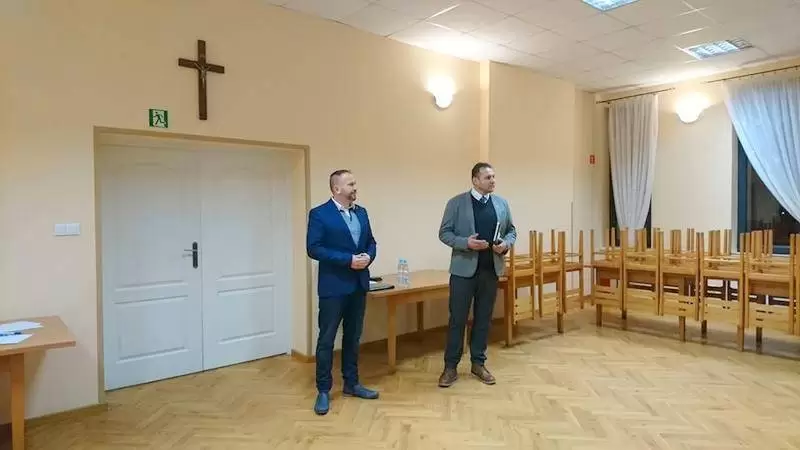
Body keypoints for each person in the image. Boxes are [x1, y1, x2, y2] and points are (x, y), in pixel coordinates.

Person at [437, 162, 516, 387]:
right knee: (457, 320)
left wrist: (505, 244)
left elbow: (511, 231)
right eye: (488, 177)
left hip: (490, 270)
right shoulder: (456, 203)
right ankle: (450, 368)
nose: (493, 181)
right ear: (475, 180)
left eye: (494, 177)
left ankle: (478, 363)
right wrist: (466, 243)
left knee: (483, 319)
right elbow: (444, 233)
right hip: (463, 272)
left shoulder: (501, 203)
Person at [306, 169, 379, 415]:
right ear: (336, 189)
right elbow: (314, 248)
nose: (355, 187)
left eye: (355, 183)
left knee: (353, 337)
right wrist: (348, 260)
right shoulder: (319, 214)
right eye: (350, 184)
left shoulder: (362, 212)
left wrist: (368, 256)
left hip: (358, 285)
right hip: (333, 287)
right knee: (326, 339)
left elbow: (371, 242)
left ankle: (352, 383)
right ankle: (323, 390)